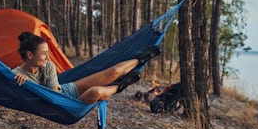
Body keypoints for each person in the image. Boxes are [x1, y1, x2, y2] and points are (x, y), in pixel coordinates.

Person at [13, 32, 161, 104]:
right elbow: (53, 101)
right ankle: (120, 86)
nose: (48, 57)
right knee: (96, 91)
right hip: (67, 106)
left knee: (113, 71)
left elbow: (55, 93)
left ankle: (140, 59)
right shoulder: (14, 75)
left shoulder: (48, 66)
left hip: (67, 90)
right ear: (30, 55)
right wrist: (24, 83)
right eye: (44, 54)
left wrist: (29, 84)